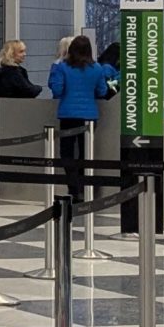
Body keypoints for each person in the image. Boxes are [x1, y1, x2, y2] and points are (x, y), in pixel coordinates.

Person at [46, 34, 118, 202]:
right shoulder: (97, 68)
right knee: (85, 153)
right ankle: (83, 186)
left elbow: (57, 91)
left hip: (68, 115)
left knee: (67, 153)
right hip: (89, 115)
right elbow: (102, 91)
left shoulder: (62, 67)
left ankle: (73, 187)